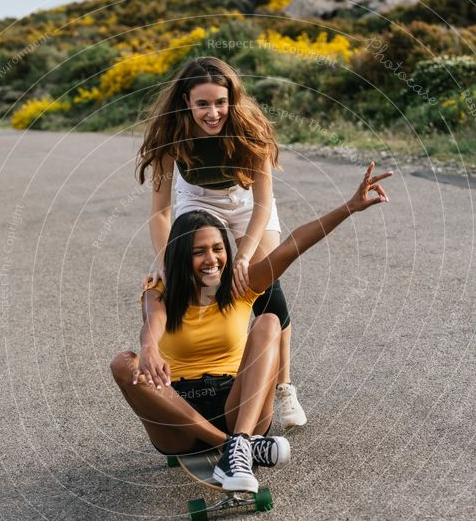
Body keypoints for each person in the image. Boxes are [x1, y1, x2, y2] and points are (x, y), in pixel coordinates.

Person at [110, 162, 392, 493]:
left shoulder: (241, 286)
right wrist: (149, 349)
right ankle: (235, 446)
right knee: (122, 363)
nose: (212, 259)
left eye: (217, 248)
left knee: (269, 321)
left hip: (238, 405)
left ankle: (241, 439)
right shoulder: (160, 289)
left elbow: (293, 243)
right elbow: (153, 323)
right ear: (179, 256)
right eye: (199, 252)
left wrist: (349, 207)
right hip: (178, 417)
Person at [135, 55, 307, 430]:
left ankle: (284, 386)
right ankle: (206, 372)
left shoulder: (252, 130)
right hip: (196, 198)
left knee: (264, 282)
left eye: (220, 102)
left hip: (245, 202)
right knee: (196, 277)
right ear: (186, 102)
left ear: (232, 99)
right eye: (202, 104)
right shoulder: (171, 138)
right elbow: (160, 212)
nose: (213, 113)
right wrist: (166, 259)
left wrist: (244, 255)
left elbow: (262, 204)